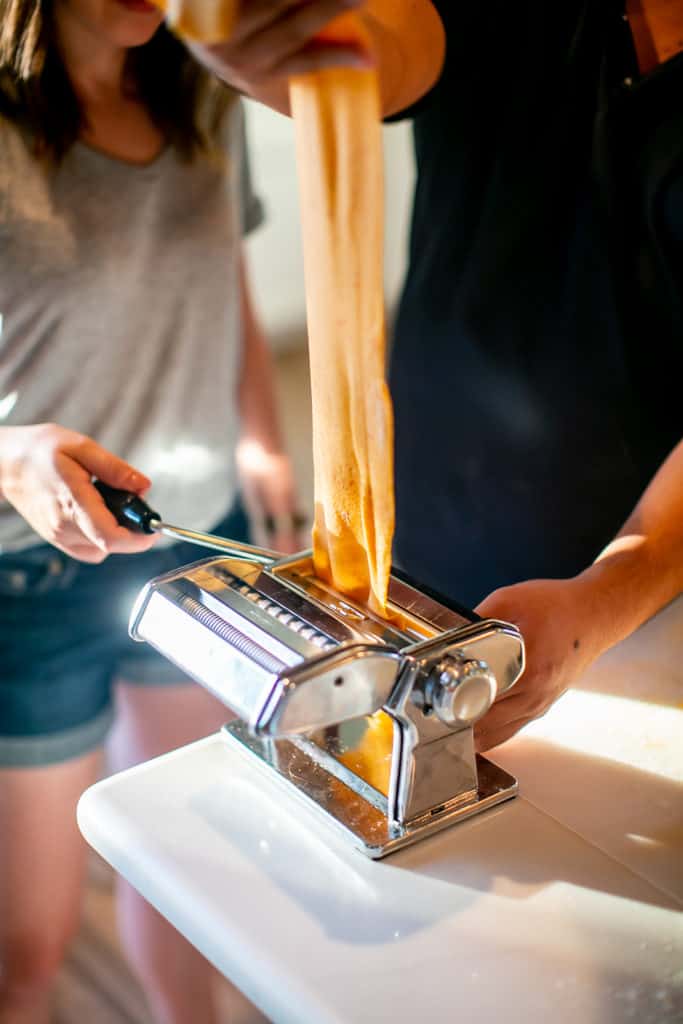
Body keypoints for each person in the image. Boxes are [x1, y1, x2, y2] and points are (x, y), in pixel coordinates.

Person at [183, 0, 682, 747]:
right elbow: (382, 47)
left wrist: (603, 600)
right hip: (420, 493)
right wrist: (285, 36)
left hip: (640, 585)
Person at [0, 1, 303, 1022]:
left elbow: (224, 268)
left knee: (187, 880)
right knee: (29, 946)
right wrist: (10, 456)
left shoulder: (211, 88)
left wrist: (258, 434)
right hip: (25, 582)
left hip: (186, 540)